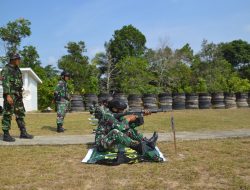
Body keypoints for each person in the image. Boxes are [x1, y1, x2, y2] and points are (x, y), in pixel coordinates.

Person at [95, 99, 162, 163]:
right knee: (115, 132)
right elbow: (120, 128)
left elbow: (131, 126)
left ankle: (147, 142)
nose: (123, 112)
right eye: (122, 110)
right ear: (114, 109)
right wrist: (128, 119)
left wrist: (140, 116)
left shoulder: (117, 115)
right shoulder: (107, 116)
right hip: (102, 144)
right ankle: (139, 147)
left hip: (111, 143)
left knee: (129, 130)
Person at [1, 53, 33, 142]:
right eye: (18, 59)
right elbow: (5, 83)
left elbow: (19, 82)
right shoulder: (6, 69)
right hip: (10, 95)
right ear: (13, 59)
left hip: (18, 95)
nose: (19, 61)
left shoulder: (17, 69)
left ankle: (23, 133)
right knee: (7, 114)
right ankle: (6, 135)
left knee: (20, 114)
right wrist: (7, 95)